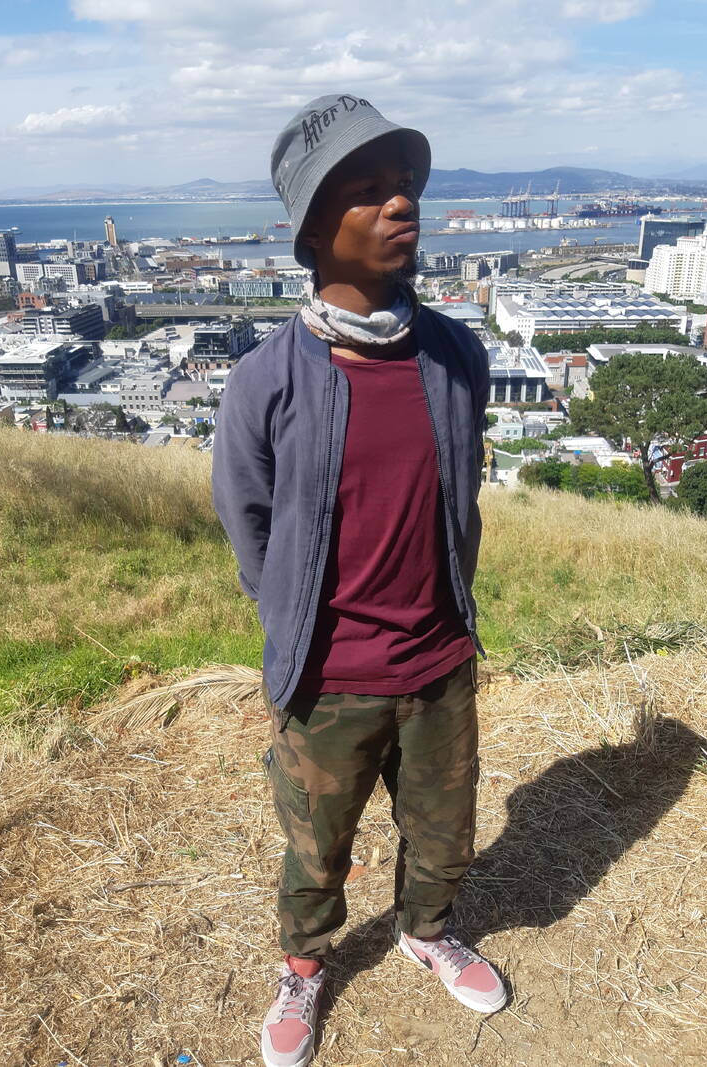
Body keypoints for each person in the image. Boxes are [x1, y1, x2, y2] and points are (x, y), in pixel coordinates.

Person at [212, 93, 506, 1067]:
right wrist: (294, 617)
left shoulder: (454, 354)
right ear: (312, 230)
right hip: (328, 676)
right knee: (316, 844)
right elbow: (247, 516)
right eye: (367, 190)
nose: (400, 203)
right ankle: (304, 966)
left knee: (446, 829)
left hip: (438, 661)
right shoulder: (267, 379)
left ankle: (426, 930)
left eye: (403, 184)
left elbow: (459, 493)